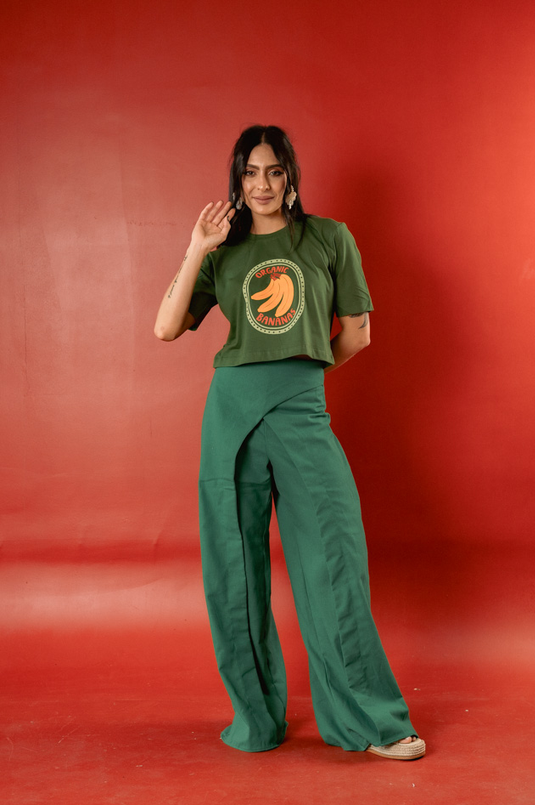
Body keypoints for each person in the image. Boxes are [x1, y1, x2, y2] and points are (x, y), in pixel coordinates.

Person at [154, 125, 425, 761]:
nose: (263, 185)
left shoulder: (329, 237)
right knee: (235, 570)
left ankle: (369, 721)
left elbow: (356, 333)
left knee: (334, 560)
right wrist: (196, 247)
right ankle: (257, 720)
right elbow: (166, 327)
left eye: (274, 171)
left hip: (302, 412)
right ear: (236, 182)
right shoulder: (222, 252)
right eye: (250, 173)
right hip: (231, 417)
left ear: (291, 177)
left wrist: (299, 378)